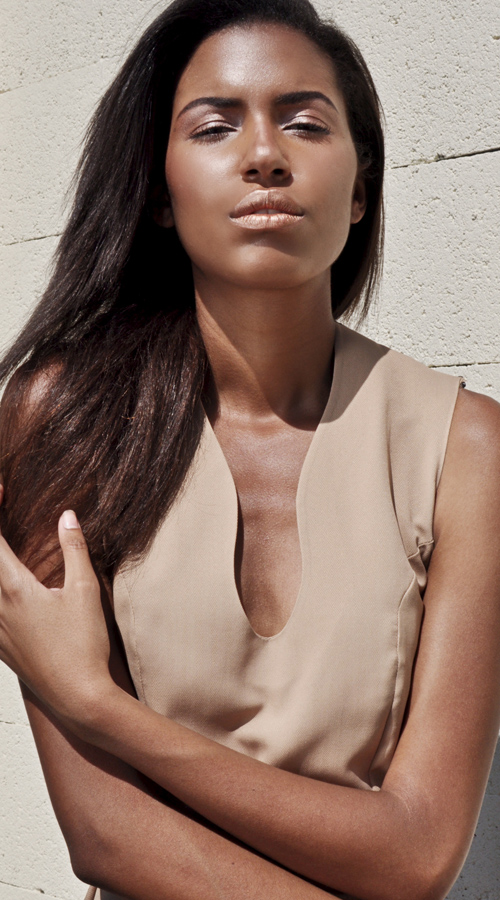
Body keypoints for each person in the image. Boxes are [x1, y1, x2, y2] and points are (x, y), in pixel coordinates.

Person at [0, 0, 499, 898]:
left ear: (360, 188)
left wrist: (98, 704)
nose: (265, 154)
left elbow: (419, 854)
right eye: (215, 126)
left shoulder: (469, 449)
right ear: (159, 191)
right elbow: (106, 836)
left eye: (305, 123)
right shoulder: (64, 419)